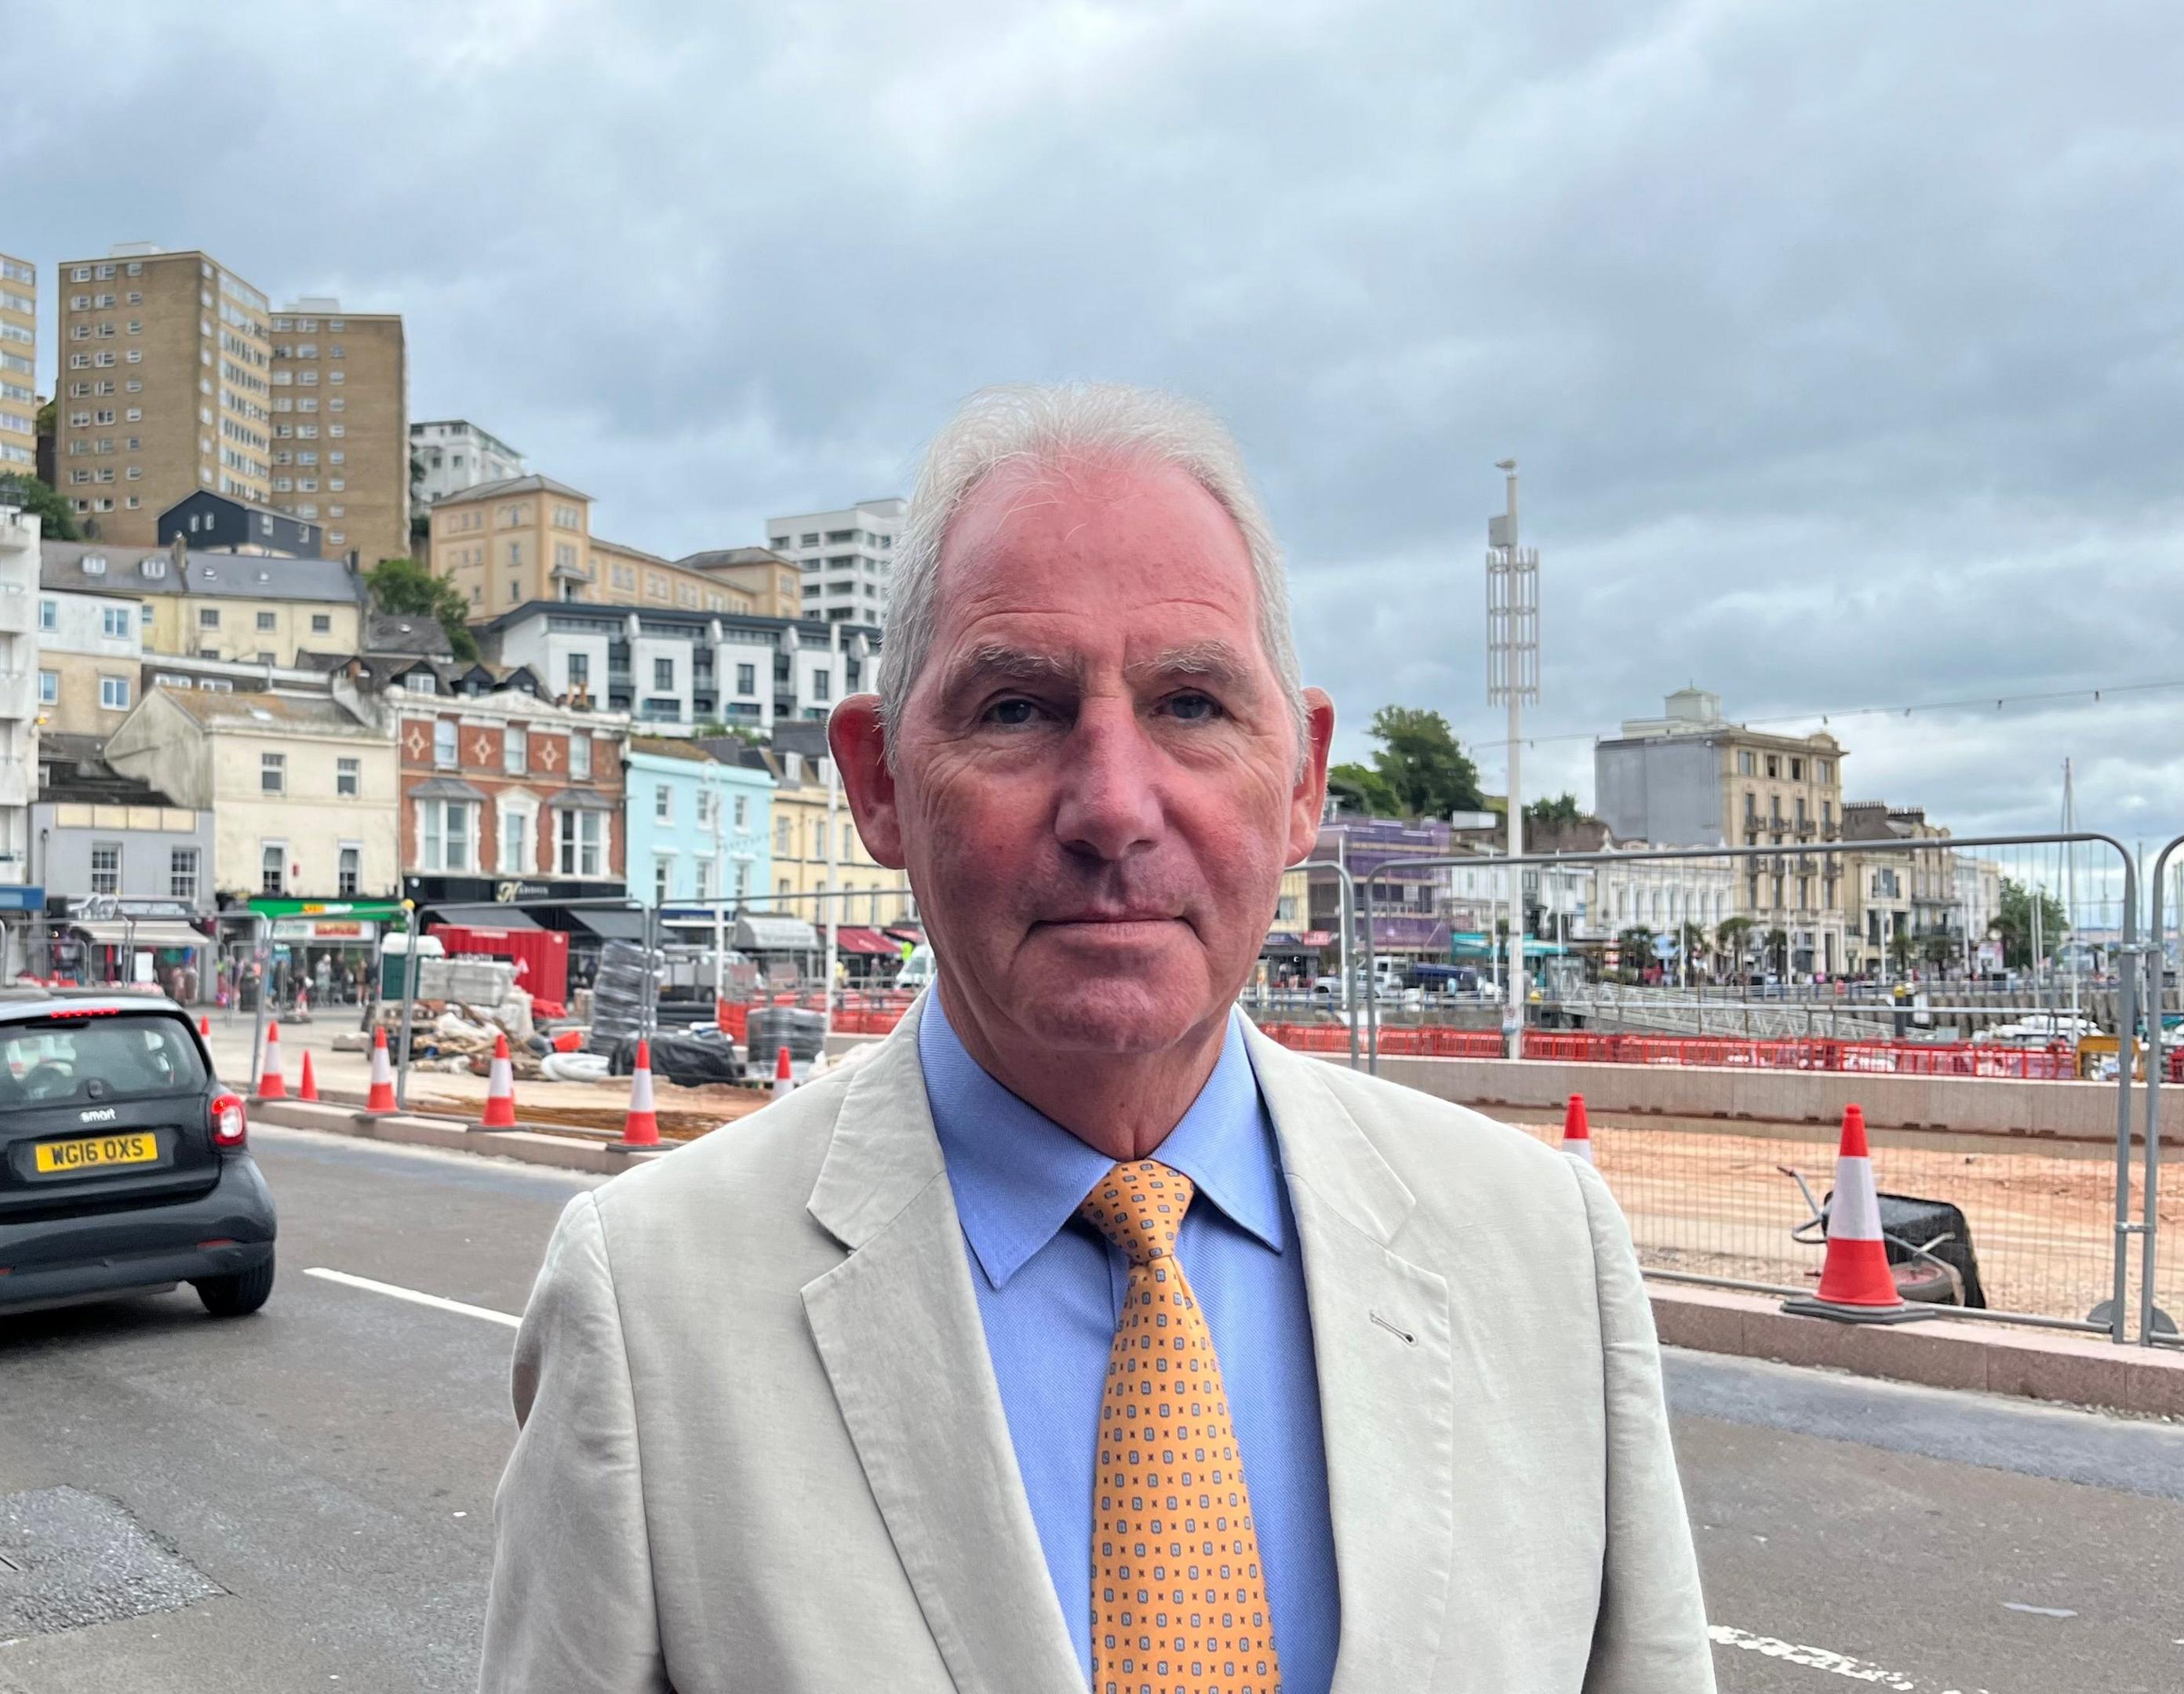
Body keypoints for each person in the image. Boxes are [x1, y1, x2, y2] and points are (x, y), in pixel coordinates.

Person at [481, 384, 1711, 1693]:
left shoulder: (1539, 1249)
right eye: (1016, 709)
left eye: (1190, 704)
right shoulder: (652, 1304)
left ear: (1300, 780)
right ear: (881, 784)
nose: (1115, 807)